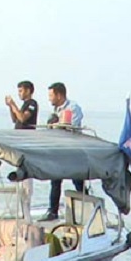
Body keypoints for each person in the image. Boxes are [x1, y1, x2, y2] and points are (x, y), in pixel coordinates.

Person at [44, 82, 86, 220]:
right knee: (55, 180)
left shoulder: (73, 107)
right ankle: (53, 211)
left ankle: (88, 208)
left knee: (78, 181)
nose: (49, 99)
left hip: (72, 149)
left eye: (51, 95)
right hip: (58, 149)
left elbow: (71, 125)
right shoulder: (55, 110)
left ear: (59, 95)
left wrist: (56, 125)